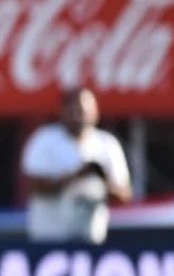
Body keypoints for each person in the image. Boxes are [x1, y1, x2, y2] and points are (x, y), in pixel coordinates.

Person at [21, 87, 133, 244]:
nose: (78, 116)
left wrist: (99, 179)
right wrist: (75, 176)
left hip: (91, 238)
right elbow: (34, 187)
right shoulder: (44, 139)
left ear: (95, 111)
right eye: (72, 110)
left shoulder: (107, 143)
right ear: (62, 111)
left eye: (83, 110)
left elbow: (124, 194)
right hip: (49, 238)